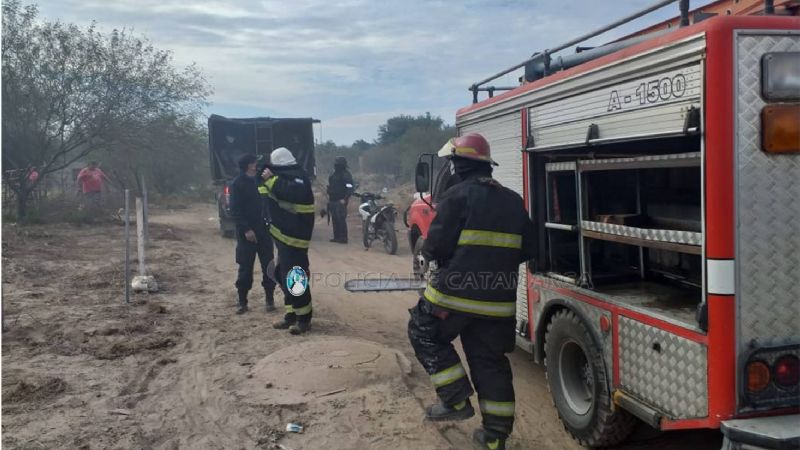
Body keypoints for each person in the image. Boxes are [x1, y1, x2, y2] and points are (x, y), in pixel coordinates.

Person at [407, 133, 536, 450]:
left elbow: (434, 247)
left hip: (455, 295)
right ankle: (494, 438)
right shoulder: (513, 200)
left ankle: (454, 400)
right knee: (489, 361)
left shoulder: (456, 196)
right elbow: (528, 249)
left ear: (458, 165)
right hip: (499, 301)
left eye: (452, 163)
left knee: (422, 330)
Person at [259, 147, 315, 335]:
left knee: (294, 277)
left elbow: (292, 193)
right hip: (285, 236)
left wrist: (270, 179)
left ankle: (304, 319)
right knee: (280, 273)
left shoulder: (298, 177)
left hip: (295, 237)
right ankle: (291, 314)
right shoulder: (285, 176)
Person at [229, 154, 277, 315]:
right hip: (247, 234)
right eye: (254, 162)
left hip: (264, 231)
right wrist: (246, 230)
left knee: (269, 267)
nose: (257, 164)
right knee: (245, 268)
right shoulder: (237, 184)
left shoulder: (260, 180)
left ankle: (269, 300)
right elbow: (235, 210)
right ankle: (242, 302)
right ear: (249, 165)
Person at [326, 156, 354, 243]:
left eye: (338, 164)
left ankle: (343, 238)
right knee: (334, 219)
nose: (336, 165)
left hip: (341, 200)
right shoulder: (334, 174)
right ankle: (337, 237)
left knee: (341, 219)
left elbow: (350, 188)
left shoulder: (346, 174)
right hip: (333, 200)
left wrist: (345, 199)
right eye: (336, 164)